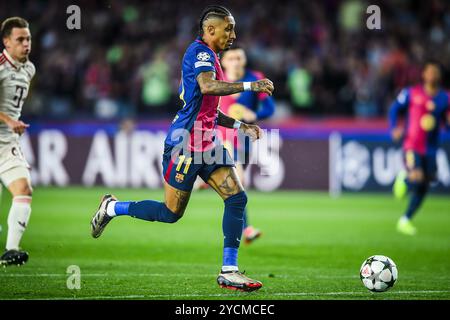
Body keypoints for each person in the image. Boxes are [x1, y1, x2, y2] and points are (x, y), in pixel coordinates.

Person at [90, 5, 274, 292]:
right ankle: (112, 208)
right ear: (210, 29)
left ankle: (229, 270)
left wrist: (240, 127)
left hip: (208, 140)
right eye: (228, 29)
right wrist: (251, 86)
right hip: (186, 143)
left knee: (237, 198)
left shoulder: (212, 57)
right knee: (171, 213)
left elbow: (209, 109)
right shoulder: (199, 52)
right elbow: (207, 87)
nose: (233, 35)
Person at [218, 46, 275, 244]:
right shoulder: (215, 81)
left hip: (244, 142)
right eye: (230, 58)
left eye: (238, 58)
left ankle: (203, 181)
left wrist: (255, 115)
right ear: (223, 62)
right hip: (220, 140)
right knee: (238, 182)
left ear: (244, 60)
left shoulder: (254, 78)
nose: (235, 61)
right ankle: (246, 229)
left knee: (230, 183)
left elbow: (269, 108)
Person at [389, 61, 450, 236]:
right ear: (423, 75)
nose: (432, 75)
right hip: (412, 145)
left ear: (439, 76)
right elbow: (394, 109)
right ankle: (405, 179)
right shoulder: (411, 93)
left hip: (430, 148)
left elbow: (446, 122)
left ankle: (405, 220)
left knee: (427, 181)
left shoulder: (445, 98)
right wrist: (394, 127)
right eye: (429, 72)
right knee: (417, 176)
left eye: (435, 72)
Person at [0, 17, 35, 266]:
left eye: (28, 39)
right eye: (20, 40)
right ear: (6, 42)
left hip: (6, 142)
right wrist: (9, 119)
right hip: (6, 131)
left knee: (23, 189)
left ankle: (11, 250)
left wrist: (14, 124)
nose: (26, 44)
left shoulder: (29, 69)